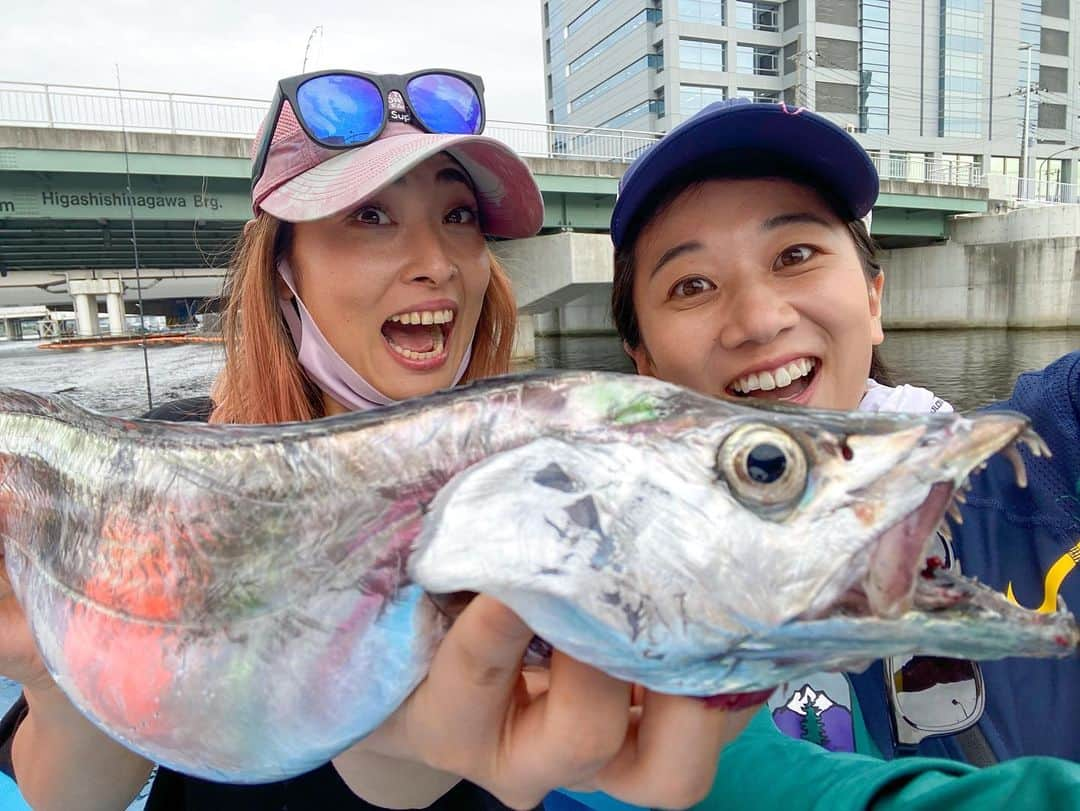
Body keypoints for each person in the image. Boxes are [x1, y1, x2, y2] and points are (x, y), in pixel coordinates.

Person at [0, 69, 756, 811]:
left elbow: (417, 763)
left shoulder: (540, 491)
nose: (436, 264)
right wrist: (52, 657)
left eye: (459, 216)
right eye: (369, 216)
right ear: (284, 271)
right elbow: (70, 795)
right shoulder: (159, 471)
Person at [555, 97, 1079, 809]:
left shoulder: (1045, 457)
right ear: (642, 360)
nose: (759, 319)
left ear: (873, 299)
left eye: (795, 254)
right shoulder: (596, 623)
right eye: (693, 284)